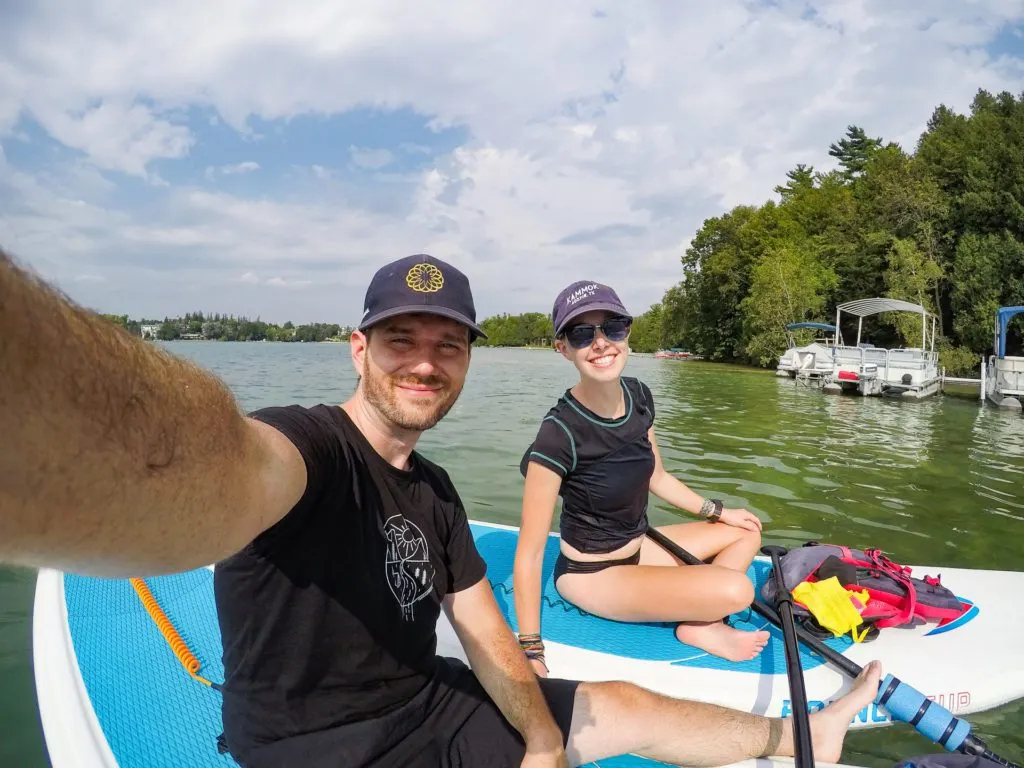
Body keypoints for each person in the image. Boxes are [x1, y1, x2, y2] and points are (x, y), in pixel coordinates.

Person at [0, 247, 882, 768]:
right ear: (358, 347)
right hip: (314, 750)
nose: (425, 362)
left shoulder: (436, 492)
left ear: (467, 359)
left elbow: (482, 626)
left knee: (618, 703)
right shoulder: (299, 450)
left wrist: (540, 740)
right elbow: (204, 458)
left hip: (429, 707)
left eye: (448, 344)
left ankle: (801, 735)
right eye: (400, 340)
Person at [514, 280, 770, 670]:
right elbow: (530, 553)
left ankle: (702, 620)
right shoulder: (558, 434)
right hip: (593, 576)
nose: (600, 343)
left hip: (639, 547)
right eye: (582, 334)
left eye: (612, 327)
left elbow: (657, 476)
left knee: (747, 530)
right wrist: (531, 648)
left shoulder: (639, 396)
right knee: (738, 589)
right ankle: (706, 618)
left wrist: (717, 511)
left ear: (627, 332)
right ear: (563, 348)